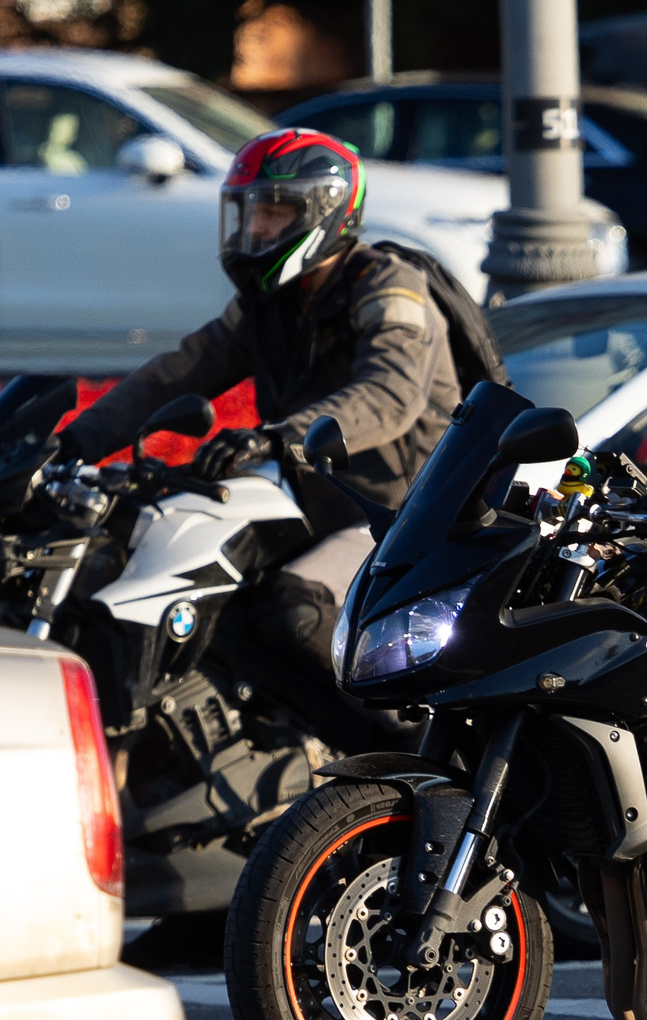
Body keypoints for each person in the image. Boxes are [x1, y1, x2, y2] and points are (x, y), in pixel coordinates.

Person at [54, 127, 458, 753]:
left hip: (401, 518)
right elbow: (179, 371)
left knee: (293, 609)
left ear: (324, 214)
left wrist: (278, 440)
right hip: (318, 509)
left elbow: (388, 395)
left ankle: (416, 760)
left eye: (273, 213)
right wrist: (72, 443)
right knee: (204, 598)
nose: (257, 230)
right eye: (250, 213)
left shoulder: (389, 288)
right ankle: (274, 754)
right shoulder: (270, 304)